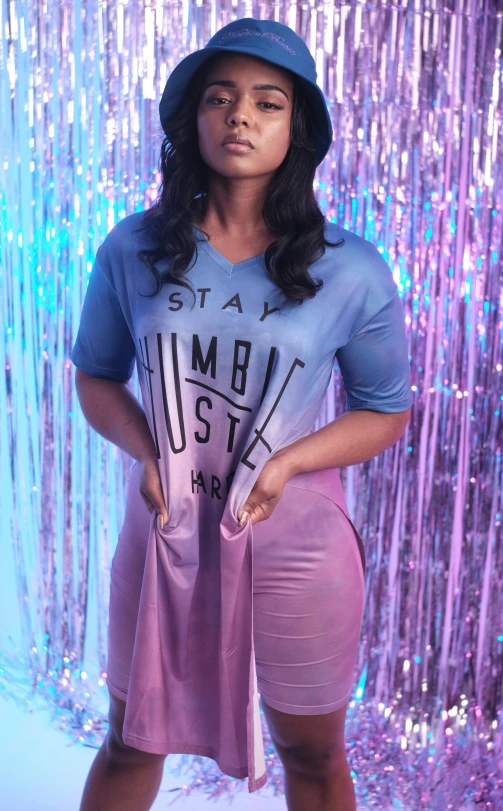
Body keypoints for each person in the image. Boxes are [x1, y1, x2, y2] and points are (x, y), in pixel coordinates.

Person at [72, 17, 414, 811]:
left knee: (311, 750)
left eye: (267, 103)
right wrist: (147, 455)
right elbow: (96, 377)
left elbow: (384, 410)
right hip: (165, 534)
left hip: (296, 545)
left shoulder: (350, 268)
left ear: (296, 129)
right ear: (192, 117)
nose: (239, 117)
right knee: (130, 737)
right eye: (221, 98)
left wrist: (288, 462)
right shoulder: (133, 250)